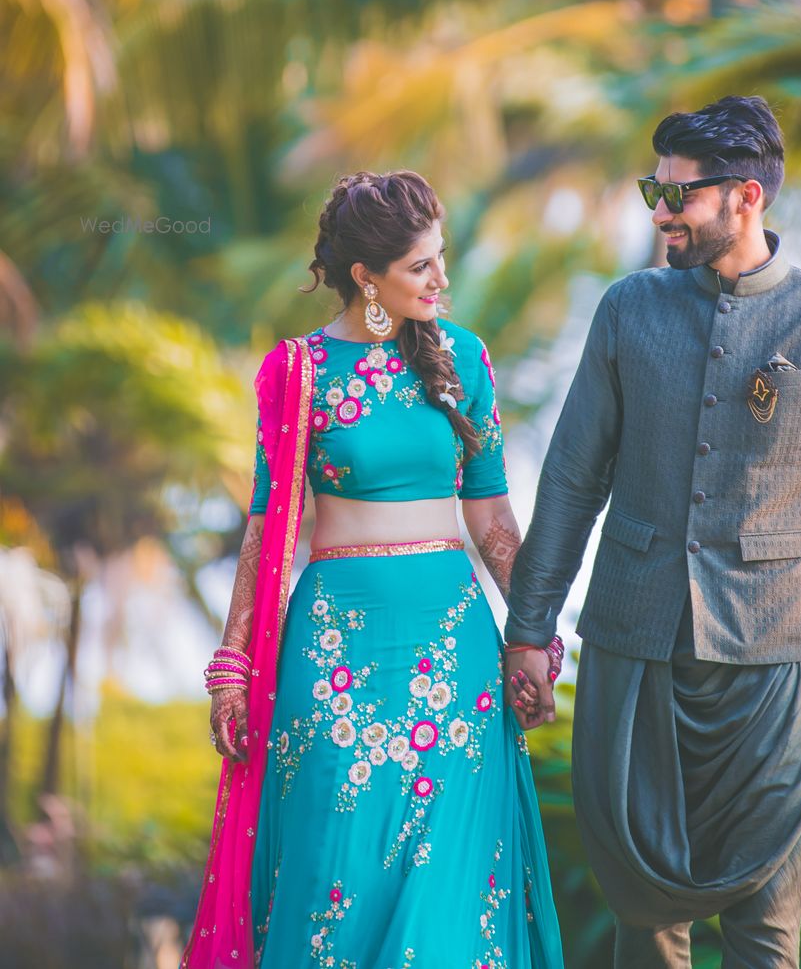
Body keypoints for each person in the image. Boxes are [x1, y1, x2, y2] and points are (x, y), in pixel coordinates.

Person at [504, 95, 801, 969]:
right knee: (644, 930)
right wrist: (530, 632)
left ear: (746, 198)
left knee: (766, 936)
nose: (659, 211)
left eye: (677, 194)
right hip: (634, 651)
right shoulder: (628, 309)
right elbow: (573, 478)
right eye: (653, 189)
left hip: (774, 664)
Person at [181, 170, 564, 969]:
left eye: (442, 258)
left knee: (450, 893)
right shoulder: (299, 371)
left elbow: (491, 517)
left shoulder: (464, 358)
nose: (442, 279)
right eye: (422, 266)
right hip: (333, 659)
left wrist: (535, 632)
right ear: (367, 277)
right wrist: (233, 661)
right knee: (332, 876)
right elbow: (268, 529)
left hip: (454, 657)